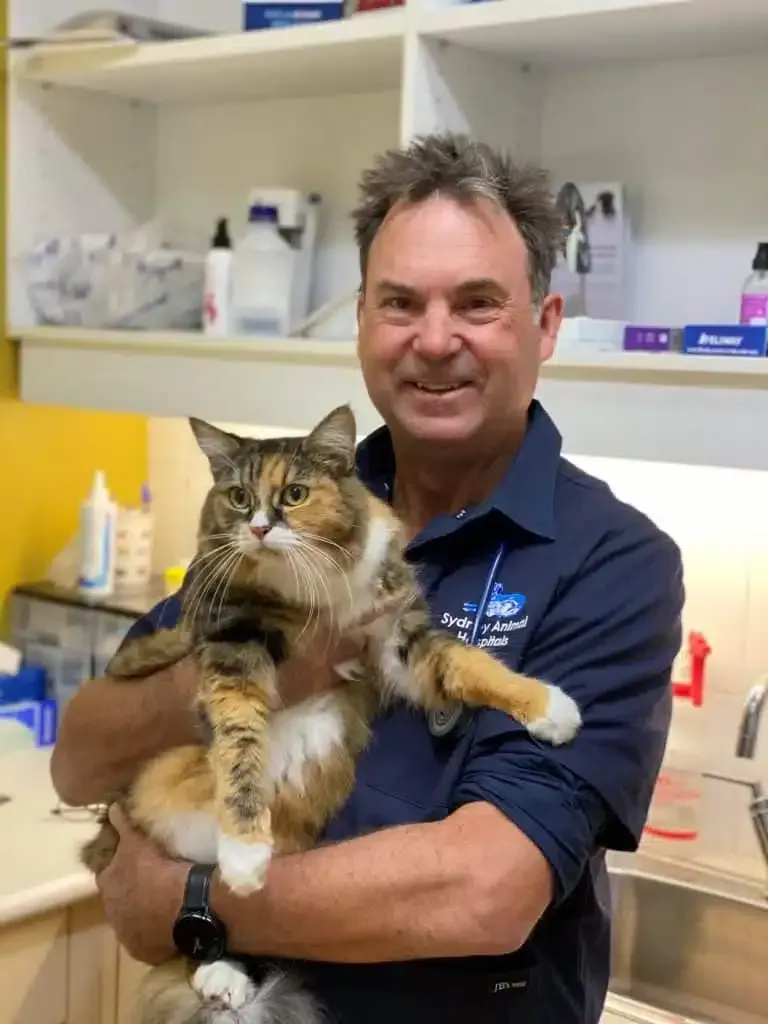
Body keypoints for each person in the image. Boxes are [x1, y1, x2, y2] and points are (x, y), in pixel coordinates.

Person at [50, 133, 685, 1024]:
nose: (434, 340)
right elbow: (79, 761)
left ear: (544, 324)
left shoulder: (610, 560)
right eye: (400, 302)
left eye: (476, 303)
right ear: (360, 320)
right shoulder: (281, 506)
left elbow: (482, 890)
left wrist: (191, 901)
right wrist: (265, 669)